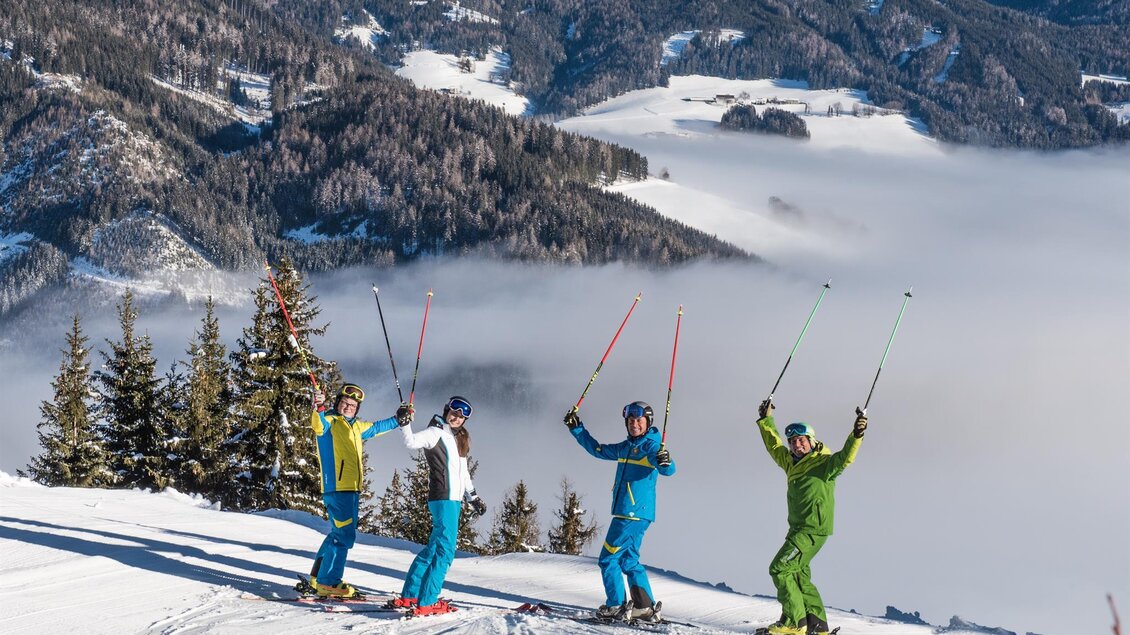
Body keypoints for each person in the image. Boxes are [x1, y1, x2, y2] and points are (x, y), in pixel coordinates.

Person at [755, 400, 868, 635]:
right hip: (797, 529)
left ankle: (795, 624)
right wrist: (766, 420)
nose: (797, 445)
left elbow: (846, 457)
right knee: (798, 574)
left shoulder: (824, 464)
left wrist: (856, 434)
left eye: (802, 440)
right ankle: (817, 625)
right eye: (793, 442)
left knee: (780, 568)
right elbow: (774, 447)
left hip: (812, 530)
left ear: (811, 441)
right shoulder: (791, 463)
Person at [563, 401, 676, 624]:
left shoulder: (651, 448)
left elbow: (668, 469)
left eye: (639, 421)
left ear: (648, 423)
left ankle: (616, 606)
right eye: (631, 421)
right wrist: (577, 428)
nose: (634, 424)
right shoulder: (626, 447)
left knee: (608, 559)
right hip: (635, 515)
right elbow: (598, 450)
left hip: (631, 515)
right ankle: (644, 608)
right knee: (629, 561)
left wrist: (666, 461)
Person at [306, 383, 411, 598]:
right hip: (338, 487)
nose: (348, 407)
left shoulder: (355, 427)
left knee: (338, 533)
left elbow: (376, 428)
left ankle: (319, 577)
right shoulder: (329, 422)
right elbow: (317, 424)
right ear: (337, 403)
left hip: (351, 489)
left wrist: (399, 419)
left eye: (353, 405)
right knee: (344, 536)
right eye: (345, 403)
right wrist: (318, 406)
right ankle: (329, 582)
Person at [391, 395, 487, 617]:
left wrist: (473, 497)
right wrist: (404, 424)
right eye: (454, 411)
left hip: (450, 499)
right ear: (447, 410)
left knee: (433, 549)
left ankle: (411, 595)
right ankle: (427, 601)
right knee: (445, 552)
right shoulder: (435, 432)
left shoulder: (457, 438)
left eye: (462, 416)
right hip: (444, 498)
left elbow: (462, 472)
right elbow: (411, 442)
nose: (457, 417)